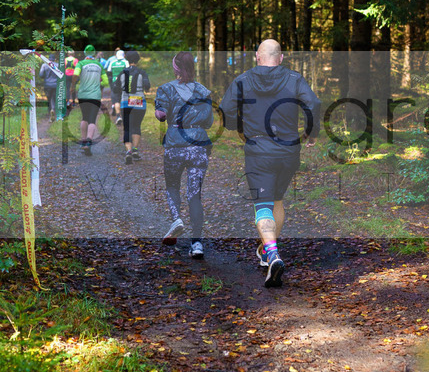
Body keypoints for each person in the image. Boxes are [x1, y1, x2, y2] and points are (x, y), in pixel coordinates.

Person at [220, 39, 320, 288]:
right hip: (289, 152)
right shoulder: (294, 78)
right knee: (277, 200)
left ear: (257, 56)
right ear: (281, 57)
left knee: (262, 203)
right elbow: (314, 104)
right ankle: (266, 252)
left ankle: (273, 254)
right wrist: (311, 131)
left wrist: (235, 126)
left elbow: (225, 108)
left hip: (259, 150)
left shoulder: (242, 79)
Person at [155, 51, 213, 258]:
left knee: (172, 185)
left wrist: (160, 111)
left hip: (175, 145)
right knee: (194, 194)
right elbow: (209, 122)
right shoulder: (203, 91)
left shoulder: (166, 89)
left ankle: (176, 219)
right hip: (198, 146)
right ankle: (197, 244)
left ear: (176, 68)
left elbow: (161, 116)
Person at [117, 49, 149, 165]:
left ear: (126, 59)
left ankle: (129, 151)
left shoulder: (122, 73)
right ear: (138, 60)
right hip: (139, 102)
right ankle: (135, 150)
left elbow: (116, 88)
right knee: (136, 125)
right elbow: (147, 86)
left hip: (126, 102)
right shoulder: (142, 72)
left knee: (127, 127)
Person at [75, 45, 103, 156]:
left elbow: (75, 74)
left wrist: (74, 85)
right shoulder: (99, 64)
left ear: (85, 53)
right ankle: (89, 140)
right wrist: (98, 83)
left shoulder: (81, 63)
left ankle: (83, 141)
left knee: (84, 117)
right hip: (95, 95)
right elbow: (105, 81)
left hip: (83, 94)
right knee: (92, 119)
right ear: (94, 53)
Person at [106, 49, 129, 125]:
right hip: (124, 83)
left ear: (116, 55)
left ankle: (118, 116)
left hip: (115, 83)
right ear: (124, 55)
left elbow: (109, 73)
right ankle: (126, 116)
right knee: (124, 99)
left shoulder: (112, 62)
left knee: (116, 101)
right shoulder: (126, 62)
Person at [38, 54, 60, 123]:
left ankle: (50, 111)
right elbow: (60, 75)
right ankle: (53, 110)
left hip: (47, 85)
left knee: (49, 98)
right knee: (54, 97)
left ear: (48, 59)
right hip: (55, 84)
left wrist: (45, 76)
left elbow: (41, 75)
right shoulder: (58, 65)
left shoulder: (44, 65)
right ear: (54, 59)